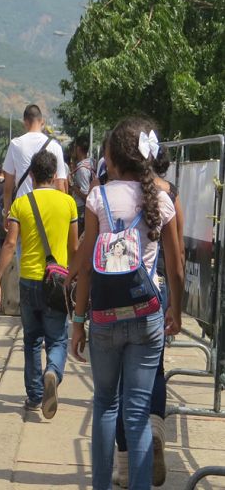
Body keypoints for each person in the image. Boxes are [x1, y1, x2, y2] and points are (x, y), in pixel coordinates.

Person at [70, 117, 183, 490]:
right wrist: (175, 311)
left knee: (105, 404)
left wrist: (77, 321)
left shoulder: (97, 198)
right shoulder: (162, 200)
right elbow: (176, 268)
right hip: (147, 315)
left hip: (104, 317)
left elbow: (85, 266)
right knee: (137, 414)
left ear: (112, 158)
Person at [111, 143, 185, 488]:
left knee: (121, 385)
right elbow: (177, 253)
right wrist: (177, 307)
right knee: (154, 368)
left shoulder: (112, 193)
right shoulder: (169, 193)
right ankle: (155, 427)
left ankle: (124, 468)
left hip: (116, 295)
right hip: (156, 291)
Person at [0, 150, 77, 419]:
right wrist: (74, 278)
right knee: (58, 339)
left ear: (31, 175)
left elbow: (10, 243)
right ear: (54, 175)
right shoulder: (68, 203)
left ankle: (35, 396)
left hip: (28, 280)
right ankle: (53, 370)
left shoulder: (21, 204)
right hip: (58, 281)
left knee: (31, 341)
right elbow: (74, 247)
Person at [1, 104, 67, 225]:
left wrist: (7, 213)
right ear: (42, 121)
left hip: (23, 211)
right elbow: (61, 187)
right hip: (49, 211)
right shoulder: (55, 146)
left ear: (25, 122)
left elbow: (7, 188)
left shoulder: (15, 144)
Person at [71, 135, 94, 234]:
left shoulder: (82, 169)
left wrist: (72, 186)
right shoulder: (90, 163)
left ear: (78, 149)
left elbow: (86, 195)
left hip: (81, 208)